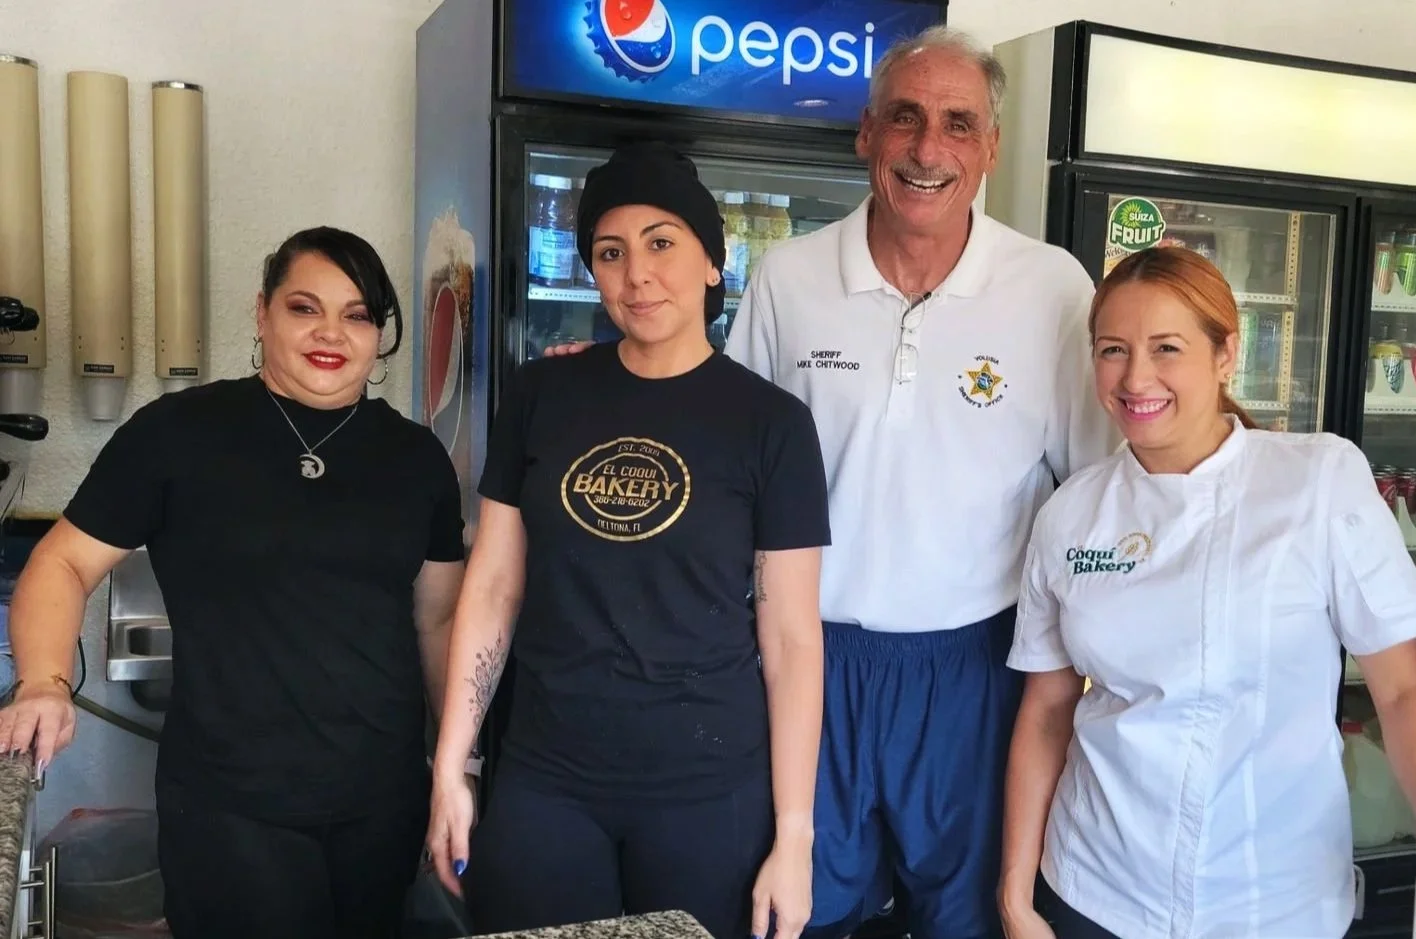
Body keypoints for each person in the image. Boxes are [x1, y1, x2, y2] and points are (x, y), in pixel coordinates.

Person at [997, 245, 1416, 939]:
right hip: (1096, 889)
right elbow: (1047, 709)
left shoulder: (1317, 481)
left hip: (1274, 902)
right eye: (1112, 350)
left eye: (1167, 348)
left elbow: (1401, 689)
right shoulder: (1072, 513)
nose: (1136, 377)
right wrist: (1017, 894)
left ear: (1226, 353)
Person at [721, 26, 1117, 939]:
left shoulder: (1052, 288)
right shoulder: (789, 279)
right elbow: (733, 469)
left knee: (970, 917)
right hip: (811, 657)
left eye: (957, 124)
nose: (927, 149)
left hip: (978, 671)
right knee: (801, 910)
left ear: (989, 147)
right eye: (904, 119)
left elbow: (1096, 492)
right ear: (865, 135)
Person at [0, 227, 467, 939]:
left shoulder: (417, 458)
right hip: (229, 806)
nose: (332, 333)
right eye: (305, 307)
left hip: (381, 798)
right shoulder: (179, 434)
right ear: (262, 314)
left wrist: (456, 764)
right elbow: (61, 563)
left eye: (358, 314)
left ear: (379, 335)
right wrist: (43, 680)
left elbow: (436, 621)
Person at [426, 142, 828, 939]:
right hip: (547, 779)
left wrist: (795, 833)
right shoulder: (542, 394)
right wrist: (452, 765)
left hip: (710, 788)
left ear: (713, 262)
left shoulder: (772, 424)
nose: (637, 273)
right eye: (610, 252)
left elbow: (789, 636)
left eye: (661, 242)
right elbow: (495, 585)